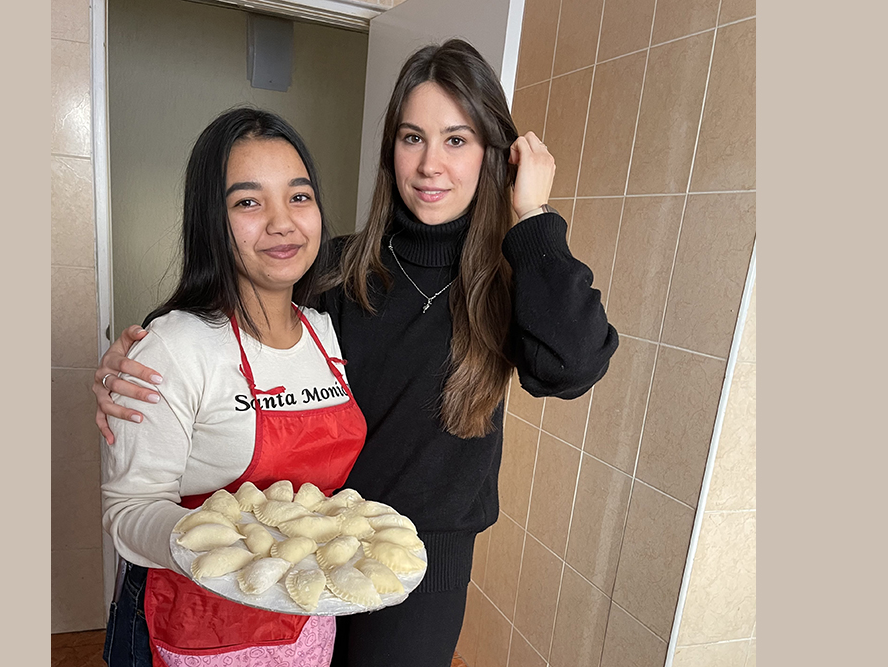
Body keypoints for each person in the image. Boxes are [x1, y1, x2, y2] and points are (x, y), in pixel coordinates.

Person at [95, 40, 619, 667]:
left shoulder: (511, 283)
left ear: (492, 155)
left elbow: (572, 365)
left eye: (457, 140)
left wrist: (531, 213)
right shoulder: (336, 271)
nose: (430, 164)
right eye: (412, 138)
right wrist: (134, 359)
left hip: (424, 564)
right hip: (311, 545)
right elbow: (229, 321)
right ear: (390, 150)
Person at [100, 107, 368, 667]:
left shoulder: (323, 332)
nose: (282, 222)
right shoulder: (177, 345)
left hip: (303, 619)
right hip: (195, 626)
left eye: (299, 196)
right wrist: (230, 546)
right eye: (248, 202)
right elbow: (128, 509)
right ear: (211, 222)